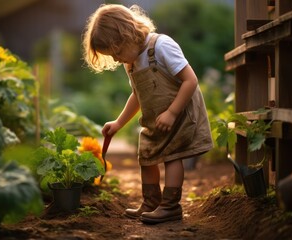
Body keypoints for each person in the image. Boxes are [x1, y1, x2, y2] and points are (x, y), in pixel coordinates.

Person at [82, 4, 213, 224]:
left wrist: (172, 113)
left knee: (172, 156)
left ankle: (171, 207)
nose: (116, 59)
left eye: (116, 52)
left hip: (179, 114)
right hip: (155, 119)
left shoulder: (161, 46)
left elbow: (190, 81)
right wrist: (118, 123)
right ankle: (151, 203)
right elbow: (137, 95)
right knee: (147, 157)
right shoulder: (130, 62)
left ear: (128, 34)